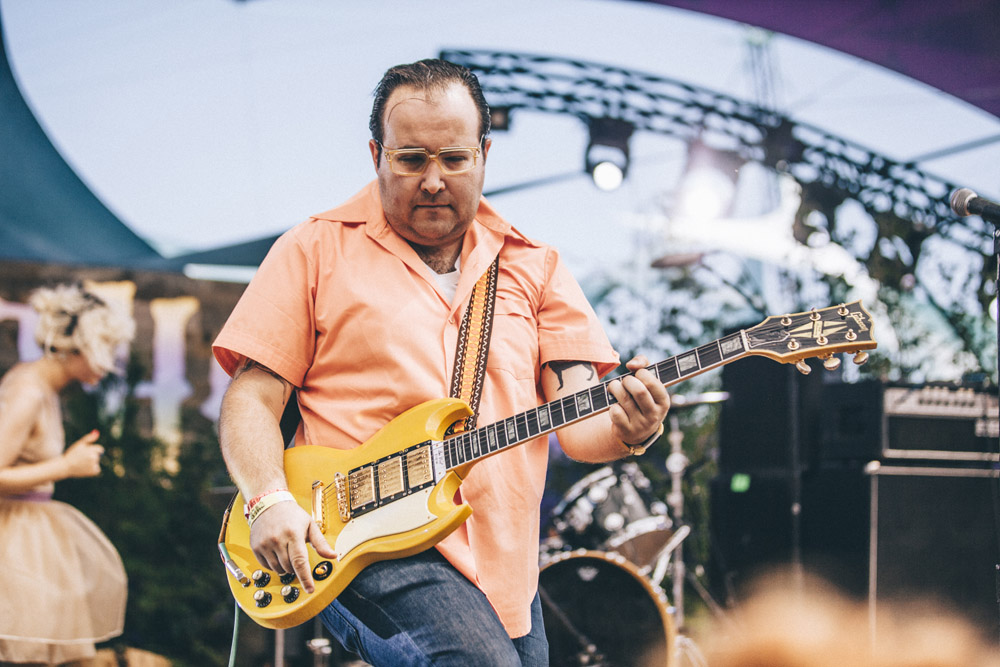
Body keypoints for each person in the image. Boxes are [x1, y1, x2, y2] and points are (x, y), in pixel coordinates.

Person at [213, 58, 671, 666]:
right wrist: (268, 499)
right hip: (356, 543)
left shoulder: (535, 266)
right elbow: (251, 397)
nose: (433, 180)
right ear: (376, 155)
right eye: (411, 160)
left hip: (505, 568)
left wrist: (631, 429)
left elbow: (580, 427)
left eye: (454, 159)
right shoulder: (313, 248)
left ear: (484, 156)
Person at [0, 283, 134, 665]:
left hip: (28, 534)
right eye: (106, 347)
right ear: (78, 346)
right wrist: (66, 467)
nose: (110, 362)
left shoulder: (42, 386)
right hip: (13, 540)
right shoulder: (29, 392)